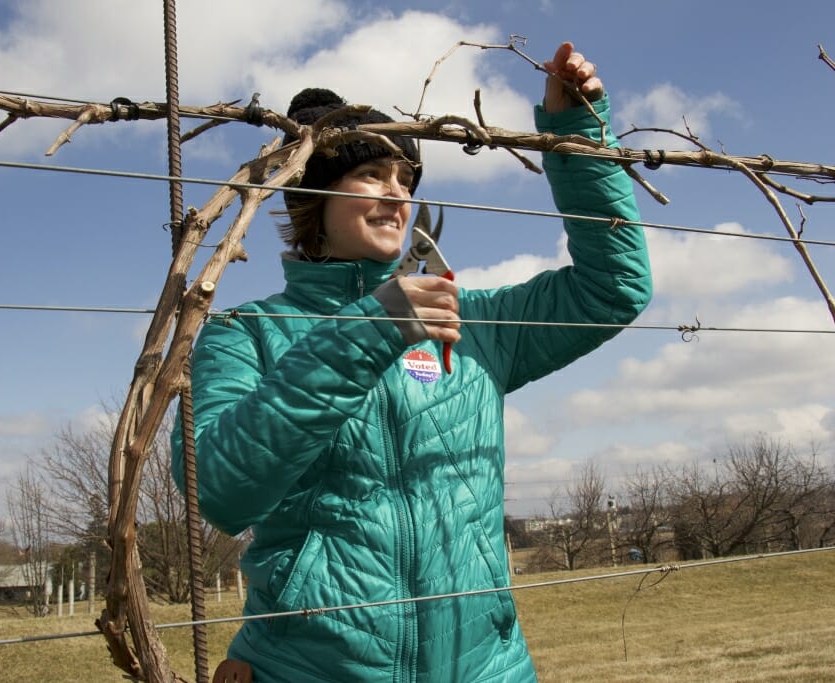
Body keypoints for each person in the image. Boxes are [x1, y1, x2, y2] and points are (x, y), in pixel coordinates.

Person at [172, 42, 652, 682]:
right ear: (311, 198)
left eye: (406, 180)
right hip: (313, 669)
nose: (397, 196)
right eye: (372, 176)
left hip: (490, 668)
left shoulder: (469, 322)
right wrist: (371, 330)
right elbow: (223, 494)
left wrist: (575, 134)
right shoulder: (246, 334)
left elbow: (612, 288)